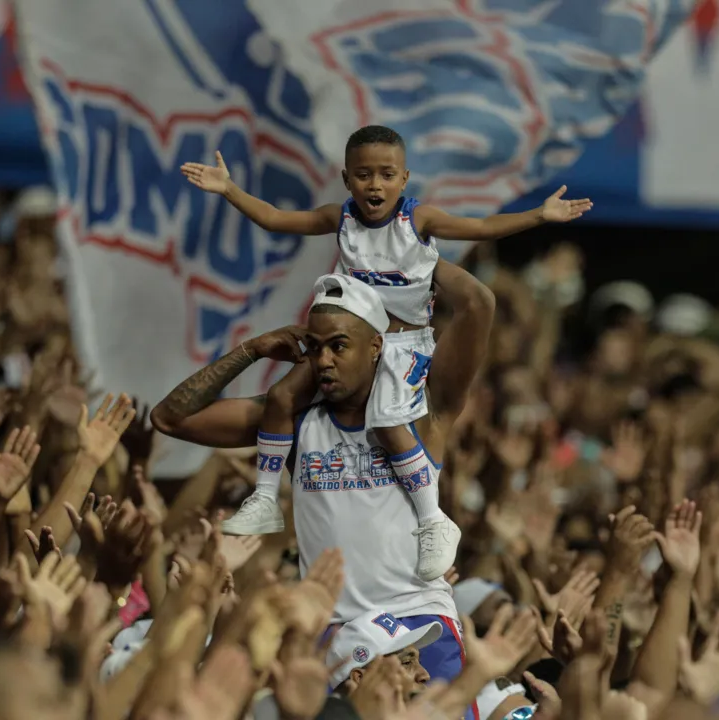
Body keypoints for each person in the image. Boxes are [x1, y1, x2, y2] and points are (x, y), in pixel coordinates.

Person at [180, 125, 591, 580]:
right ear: (346, 179)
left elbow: (480, 227)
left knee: (392, 423)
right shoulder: (341, 220)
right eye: (363, 174)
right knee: (280, 399)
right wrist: (230, 189)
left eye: (386, 174)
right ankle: (263, 497)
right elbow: (277, 219)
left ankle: (433, 519)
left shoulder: (418, 221)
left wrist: (540, 215)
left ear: (404, 178)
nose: (375, 184)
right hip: (350, 347)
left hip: (401, 346)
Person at [151, 261, 496, 705]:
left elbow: (478, 303)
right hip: (331, 632)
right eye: (314, 348)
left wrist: (403, 249)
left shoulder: (422, 409)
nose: (324, 361)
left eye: (338, 346)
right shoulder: (294, 422)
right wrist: (252, 350)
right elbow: (170, 417)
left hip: (418, 622)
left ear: (376, 346)